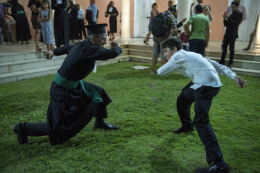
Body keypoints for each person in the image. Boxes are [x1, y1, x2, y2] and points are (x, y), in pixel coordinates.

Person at [13, 24, 122, 146]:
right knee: (57, 127)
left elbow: (66, 48)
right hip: (61, 90)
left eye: (105, 38)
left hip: (74, 84)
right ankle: (21, 129)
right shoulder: (89, 49)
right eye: (102, 38)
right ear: (92, 39)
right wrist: (117, 47)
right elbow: (110, 53)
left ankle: (99, 122)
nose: (104, 41)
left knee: (98, 92)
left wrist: (53, 52)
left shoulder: (80, 45)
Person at [157, 36, 247, 173]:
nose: (165, 55)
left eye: (166, 51)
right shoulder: (191, 54)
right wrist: (233, 76)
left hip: (205, 87)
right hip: (202, 83)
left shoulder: (178, 56)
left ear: (174, 49)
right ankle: (187, 126)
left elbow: (161, 71)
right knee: (183, 99)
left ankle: (220, 165)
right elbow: (214, 64)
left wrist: (173, 63)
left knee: (201, 121)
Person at [151, 6, 177, 74]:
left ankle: (153, 70)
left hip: (156, 37)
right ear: (173, 12)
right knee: (163, 55)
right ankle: (163, 72)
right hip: (164, 39)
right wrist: (176, 35)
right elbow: (174, 29)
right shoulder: (171, 17)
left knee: (154, 55)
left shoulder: (160, 14)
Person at [219, 1, 242, 68]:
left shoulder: (239, 14)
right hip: (227, 33)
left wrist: (228, 17)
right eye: (231, 7)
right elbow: (226, 25)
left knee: (231, 48)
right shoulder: (231, 14)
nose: (232, 8)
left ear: (237, 6)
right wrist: (224, 18)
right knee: (224, 48)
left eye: (233, 7)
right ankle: (222, 61)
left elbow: (235, 23)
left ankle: (230, 63)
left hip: (233, 34)